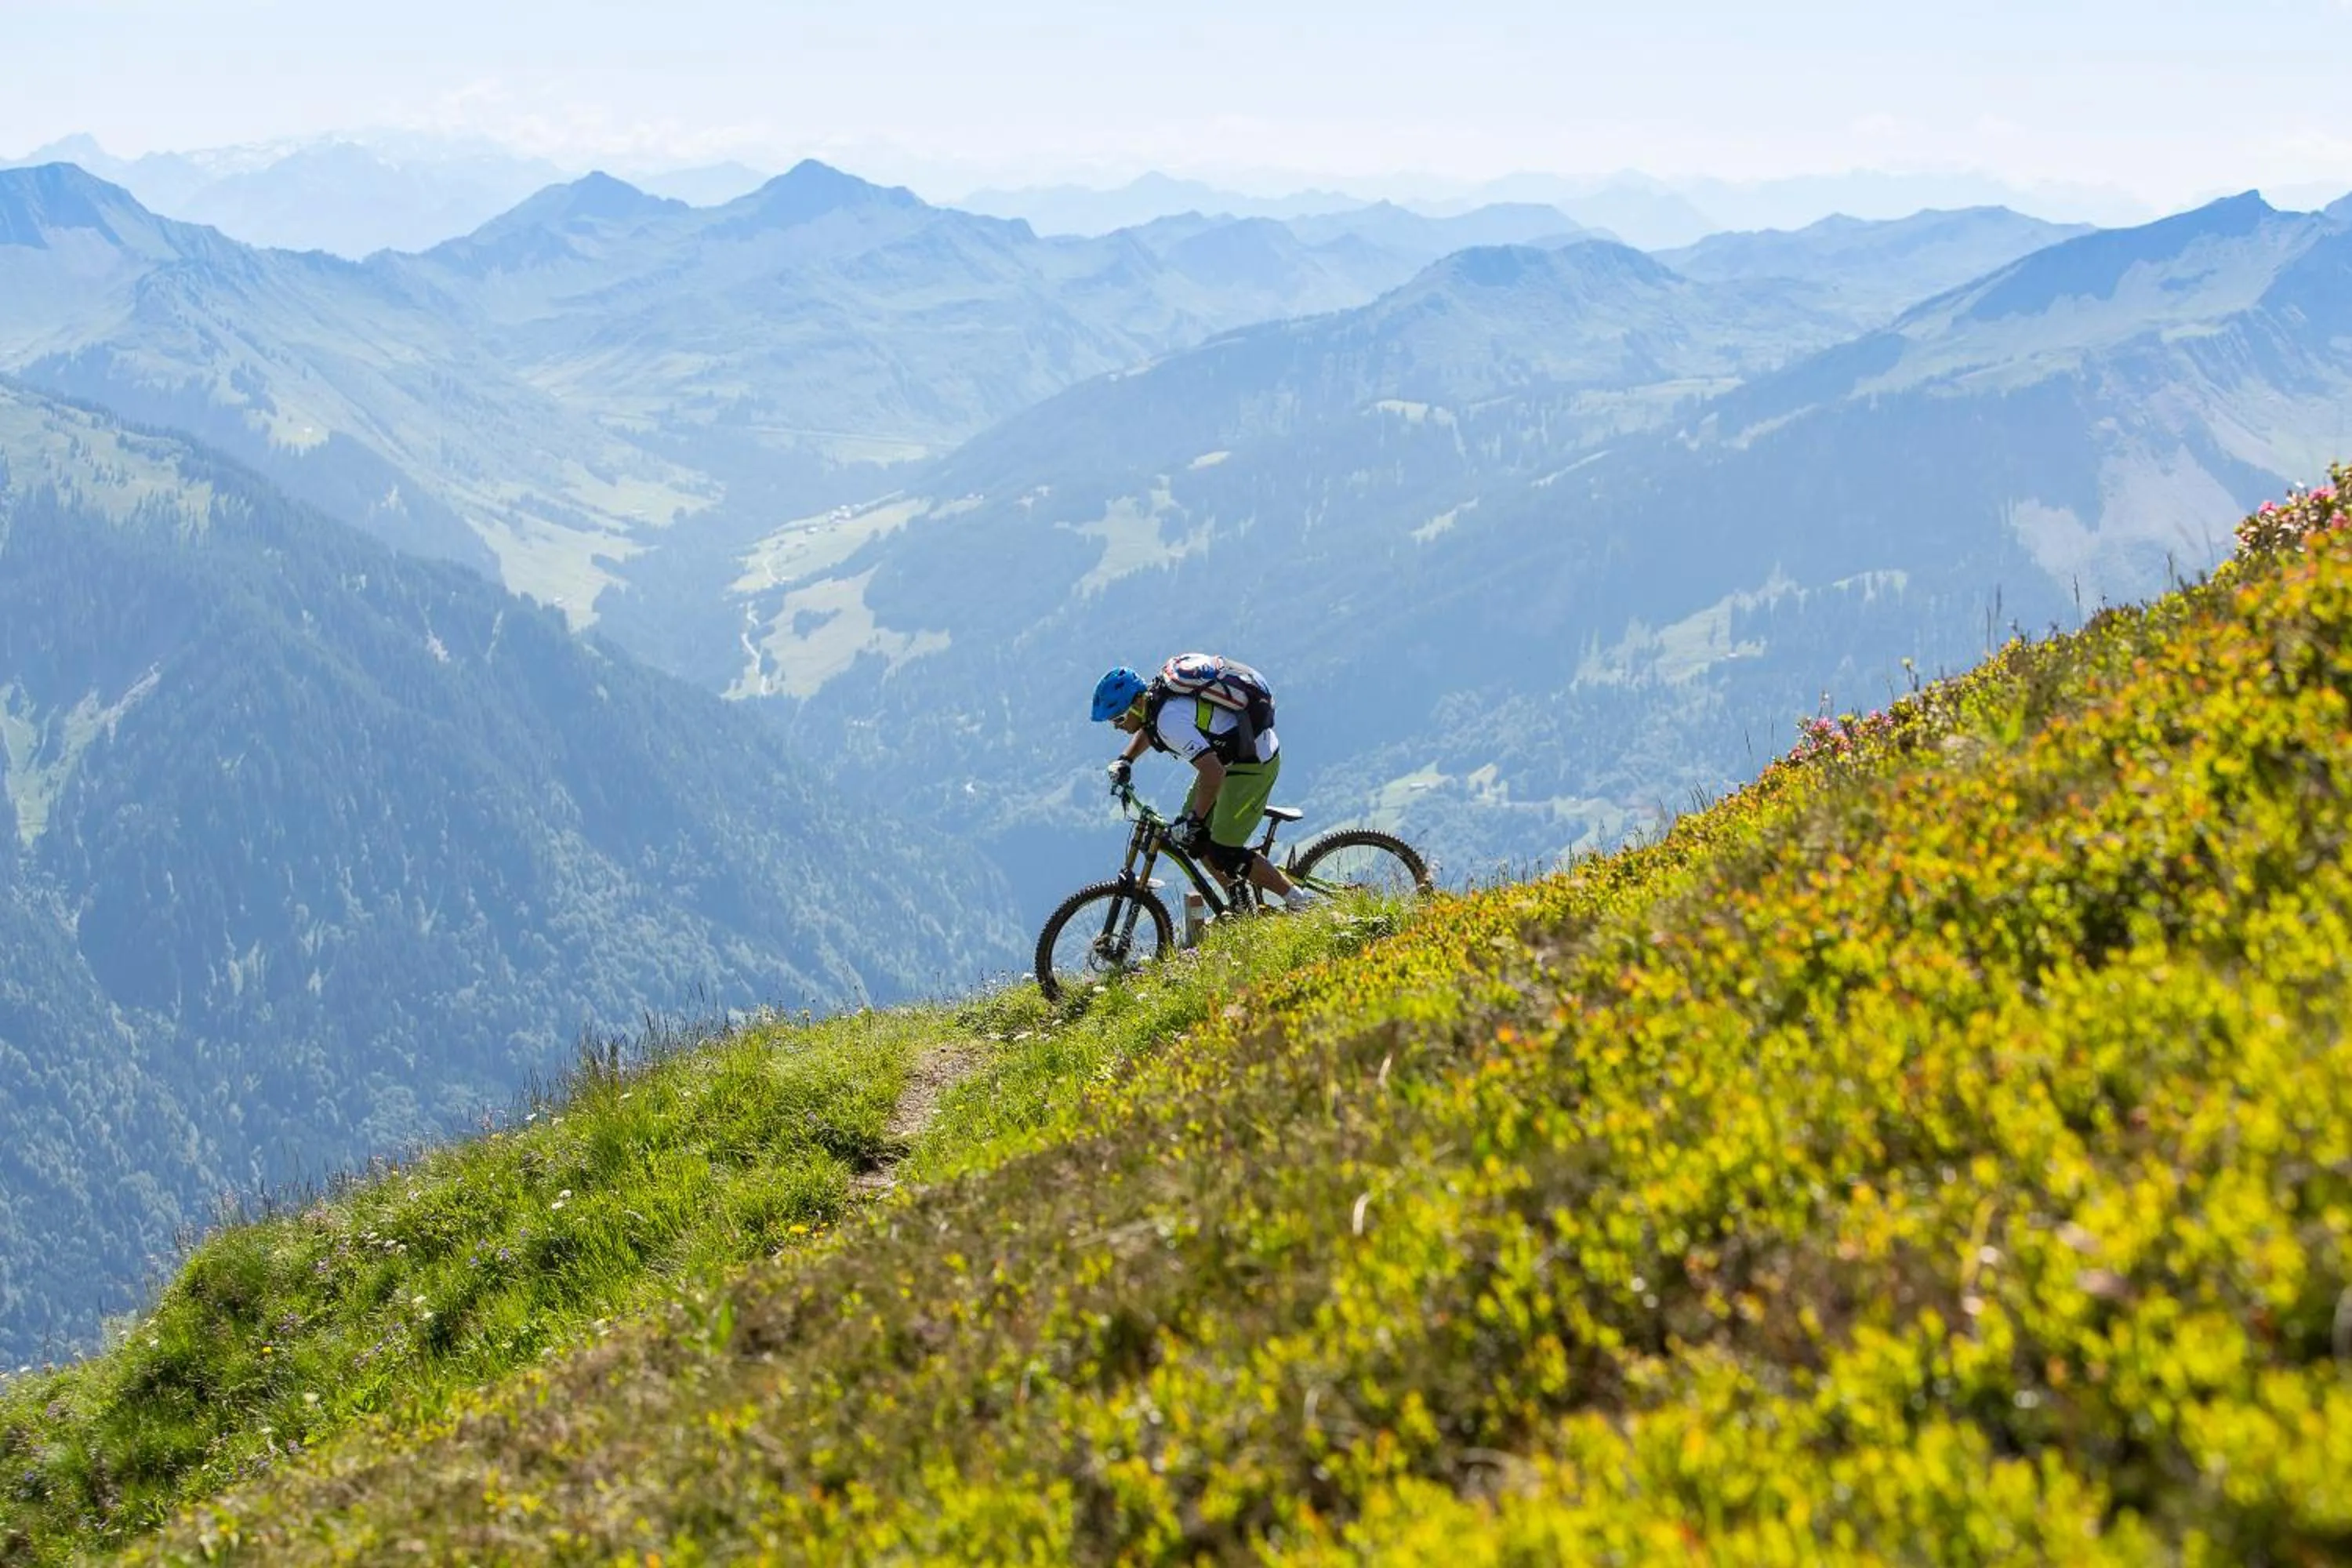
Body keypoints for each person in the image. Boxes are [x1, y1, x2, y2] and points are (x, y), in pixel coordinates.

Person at [1091, 662, 1315, 913]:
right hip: (1228, 760)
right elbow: (1149, 729)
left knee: (1224, 852)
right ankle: (1243, 910)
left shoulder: (1170, 720)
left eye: (1118, 718)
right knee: (1194, 841)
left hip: (1251, 764)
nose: (1116, 726)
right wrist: (1126, 759)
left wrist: (1194, 820)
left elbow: (1213, 772)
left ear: (1138, 703)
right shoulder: (1156, 703)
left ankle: (1300, 901)